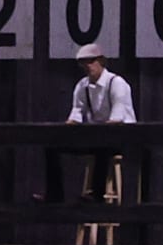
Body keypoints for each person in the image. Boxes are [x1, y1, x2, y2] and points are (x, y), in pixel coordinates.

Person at [41, 42, 136, 203]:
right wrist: (64, 132)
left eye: (91, 61)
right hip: (98, 135)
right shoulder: (82, 86)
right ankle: (55, 195)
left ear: (101, 61)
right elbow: (76, 114)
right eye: (83, 62)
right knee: (52, 146)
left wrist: (97, 133)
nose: (87, 66)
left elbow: (117, 118)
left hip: (124, 138)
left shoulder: (116, 83)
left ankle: (96, 194)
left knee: (102, 144)